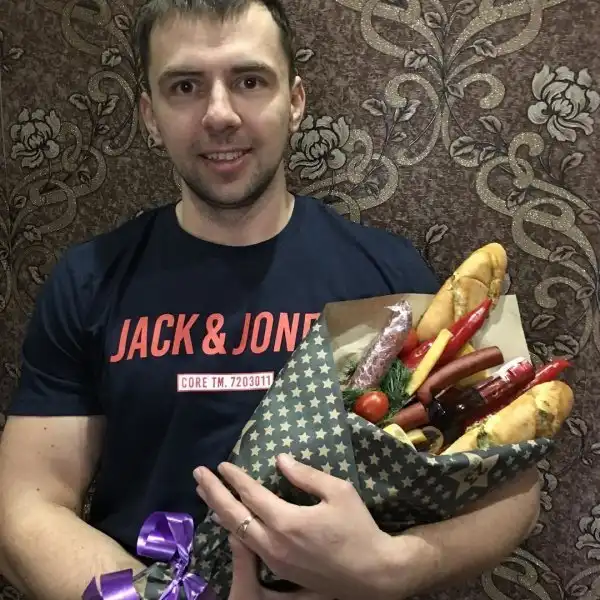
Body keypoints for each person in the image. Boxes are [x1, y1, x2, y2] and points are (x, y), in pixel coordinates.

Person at [0, 0, 541, 599]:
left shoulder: (389, 275)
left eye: (250, 81)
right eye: (185, 86)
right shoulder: (88, 279)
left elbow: (511, 490)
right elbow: (26, 503)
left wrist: (396, 567)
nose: (220, 114)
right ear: (150, 116)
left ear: (295, 101)